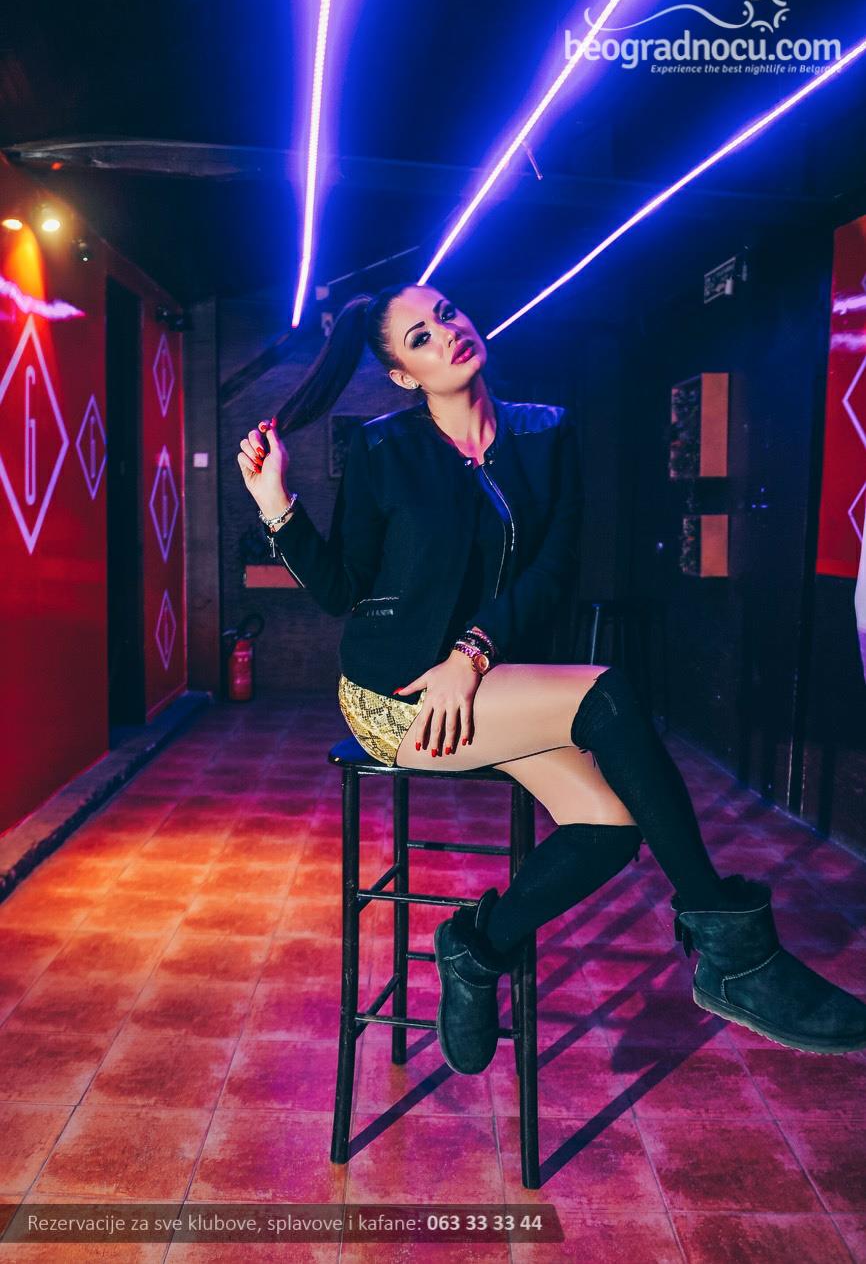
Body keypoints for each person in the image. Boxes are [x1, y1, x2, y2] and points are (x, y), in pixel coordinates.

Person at [238, 281, 866, 1075]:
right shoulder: (382, 448)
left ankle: (474, 949)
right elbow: (343, 589)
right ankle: (734, 954)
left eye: (448, 314)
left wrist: (471, 655)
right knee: (607, 692)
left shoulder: (546, 431)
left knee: (611, 827)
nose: (447, 333)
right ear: (403, 375)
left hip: (485, 683)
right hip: (395, 696)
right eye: (421, 338)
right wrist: (276, 504)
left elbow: (554, 569)